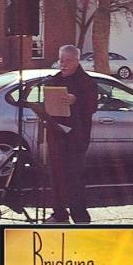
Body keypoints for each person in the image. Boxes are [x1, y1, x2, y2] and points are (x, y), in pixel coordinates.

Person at [44, 44, 98, 223]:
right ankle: (59, 213)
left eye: (67, 61)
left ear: (76, 61)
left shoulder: (87, 82)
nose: (63, 64)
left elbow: (92, 106)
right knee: (56, 177)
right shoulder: (54, 80)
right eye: (61, 60)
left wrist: (76, 100)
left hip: (76, 138)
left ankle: (80, 216)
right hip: (56, 136)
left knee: (75, 178)